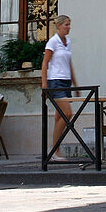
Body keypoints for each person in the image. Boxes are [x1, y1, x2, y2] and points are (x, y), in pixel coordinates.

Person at [41, 15, 76, 163]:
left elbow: (69, 64)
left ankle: (55, 151)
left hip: (65, 81)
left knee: (58, 118)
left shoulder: (67, 42)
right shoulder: (52, 42)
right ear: (59, 26)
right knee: (67, 114)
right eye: (66, 25)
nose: (68, 27)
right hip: (55, 82)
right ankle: (54, 149)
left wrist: (75, 83)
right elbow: (44, 64)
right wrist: (44, 85)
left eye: (69, 24)